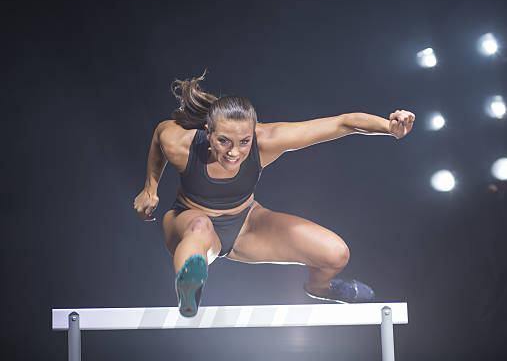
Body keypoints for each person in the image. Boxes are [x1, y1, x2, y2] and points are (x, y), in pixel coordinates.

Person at [133, 70, 415, 317]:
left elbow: (342, 124)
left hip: (246, 225)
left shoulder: (267, 141)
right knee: (200, 226)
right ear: (207, 132)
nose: (234, 152)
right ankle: (189, 294)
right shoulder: (181, 144)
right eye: (223, 141)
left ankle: (320, 288)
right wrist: (150, 187)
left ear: (253, 134)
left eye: (244, 142)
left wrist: (389, 127)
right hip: (188, 221)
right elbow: (160, 135)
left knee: (336, 254)